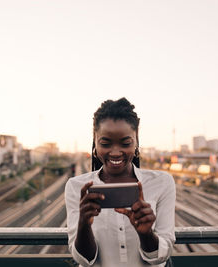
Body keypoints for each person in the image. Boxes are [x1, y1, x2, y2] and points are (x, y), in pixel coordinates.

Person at [65, 97, 175, 267]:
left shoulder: (162, 182)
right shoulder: (76, 187)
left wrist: (146, 234)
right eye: (105, 143)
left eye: (125, 143)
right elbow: (84, 260)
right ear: (95, 141)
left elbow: (162, 255)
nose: (115, 152)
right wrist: (83, 224)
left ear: (136, 140)